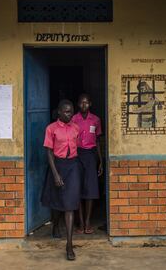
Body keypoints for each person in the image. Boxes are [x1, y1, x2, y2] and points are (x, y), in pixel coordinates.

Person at [41, 99, 81, 261]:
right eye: (66, 111)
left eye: (71, 111)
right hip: (57, 165)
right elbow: (49, 152)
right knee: (58, 201)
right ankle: (56, 225)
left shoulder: (76, 127)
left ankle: (69, 245)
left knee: (70, 204)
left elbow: (76, 146)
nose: (69, 114)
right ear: (59, 112)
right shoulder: (51, 129)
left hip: (72, 166)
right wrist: (56, 174)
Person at [72, 94, 103, 235]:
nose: (84, 105)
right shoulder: (73, 119)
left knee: (90, 190)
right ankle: (81, 222)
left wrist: (100, 161)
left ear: (90, 104)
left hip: (90, 155)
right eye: (81, 102)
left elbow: (97, 142)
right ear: (78, 104)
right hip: (77, 155)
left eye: (86, 103)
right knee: (78, 189)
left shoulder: (95, 120)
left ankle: (88, 221)